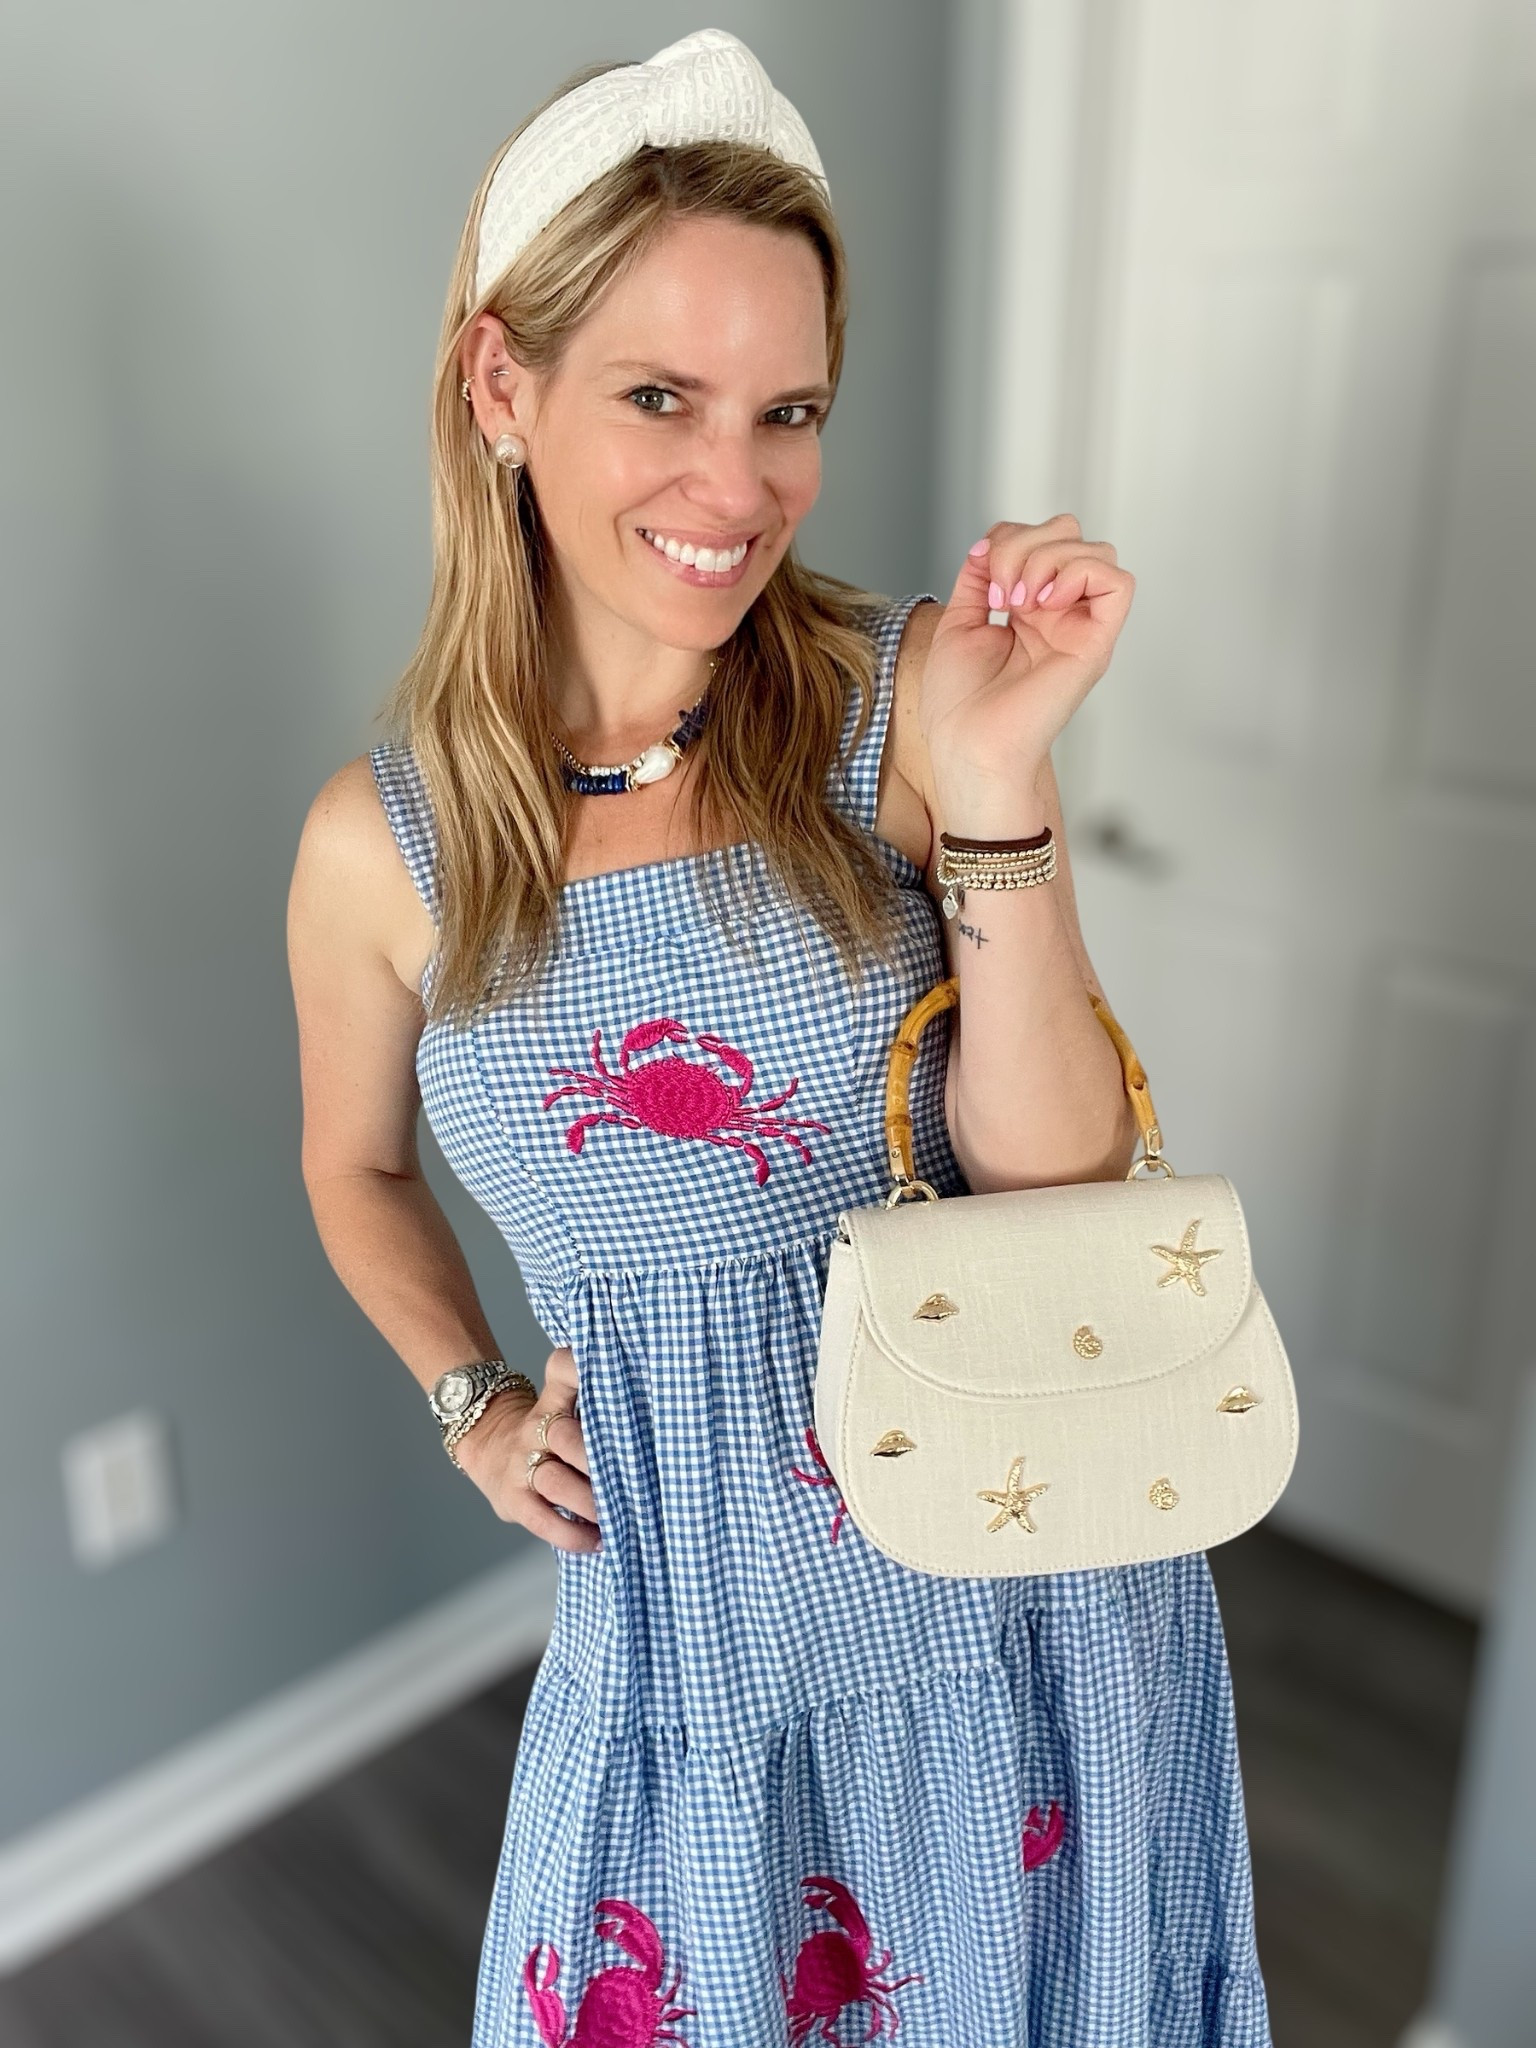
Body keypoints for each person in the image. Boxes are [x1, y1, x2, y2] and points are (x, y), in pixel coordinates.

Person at [286, 26, 1272, 2047]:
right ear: (503, 381)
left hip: (1029, 1598)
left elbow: (1056, 1174)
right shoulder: (379, 848)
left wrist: (999, 776)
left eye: (789, 408)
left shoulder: (908, 703)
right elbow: (351, 1161)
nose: (736, 486)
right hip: (687, 1649)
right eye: (661, 395)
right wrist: (471, 1396)